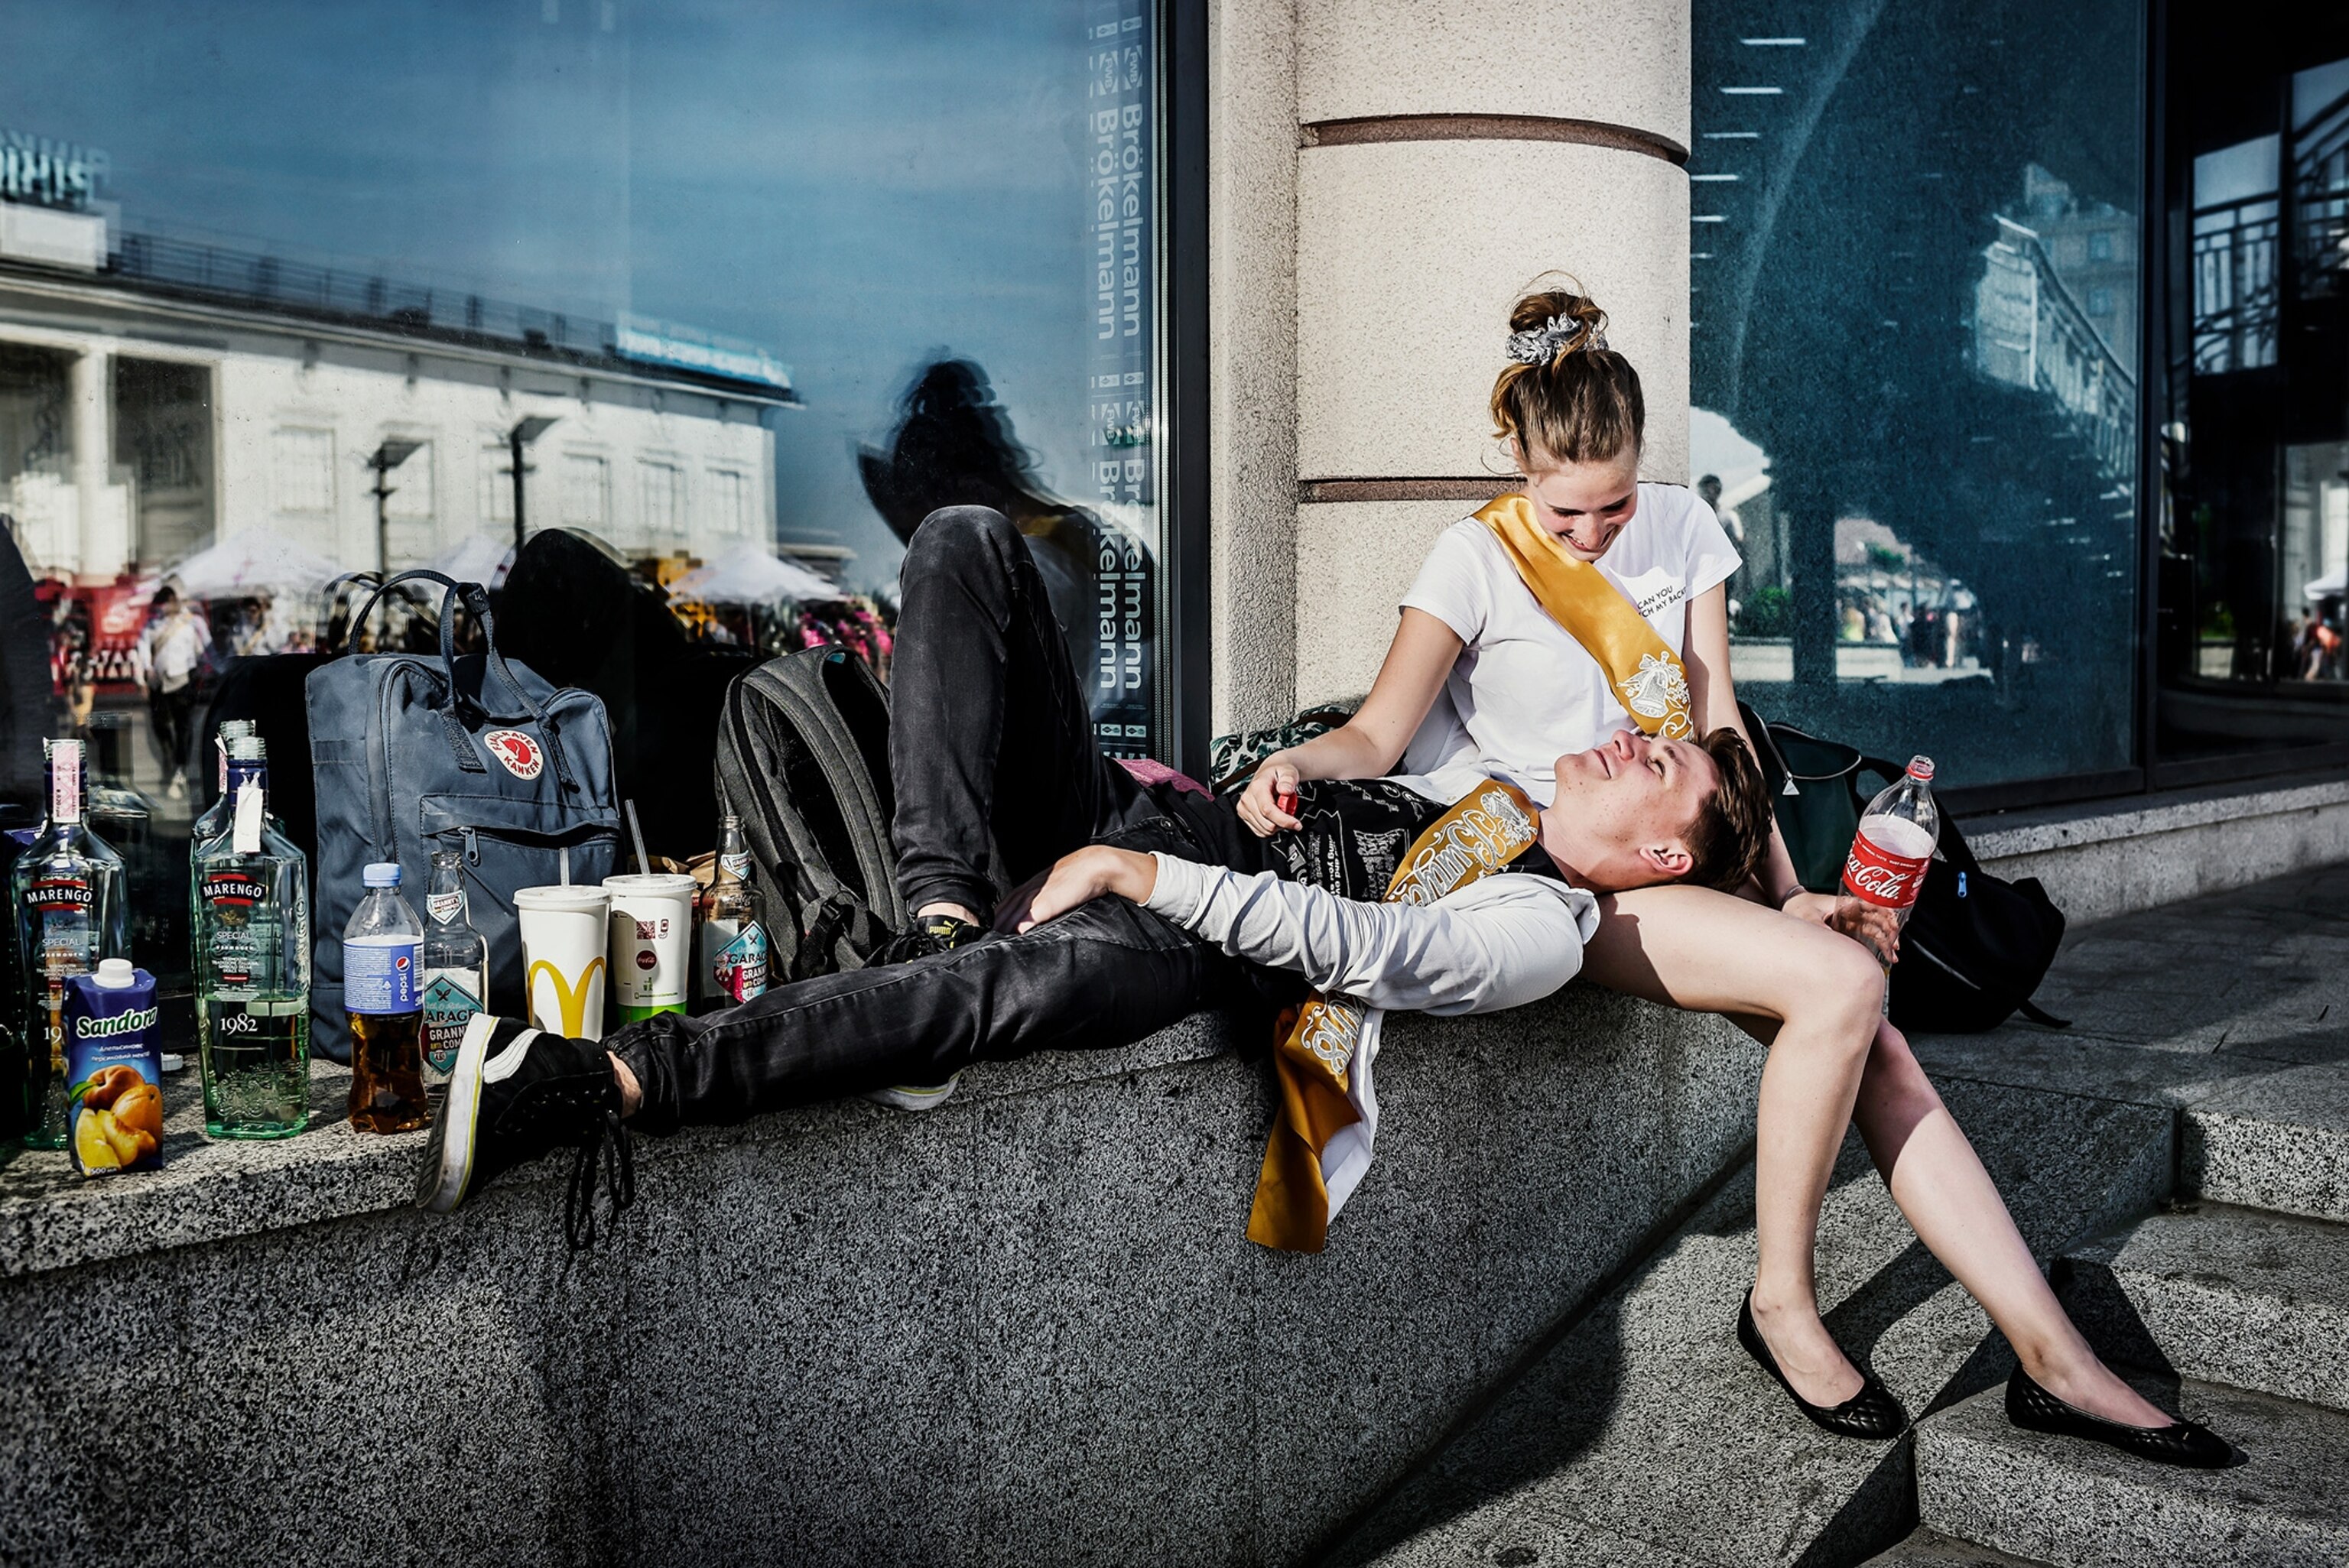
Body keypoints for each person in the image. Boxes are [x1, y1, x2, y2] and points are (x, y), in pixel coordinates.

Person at [1228, 282, 2227, 1467]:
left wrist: (1789, 887)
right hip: (1538, 870)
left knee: (1874, 1026)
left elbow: (1721, 733)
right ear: (1516, 461)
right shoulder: (1470, 558)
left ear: (1643, 464)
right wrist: (1294, 756)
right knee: (1850, 994)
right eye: (1565, 514)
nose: (1593, 534)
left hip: (1669, 850)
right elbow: (1380, 737)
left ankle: (2055, 1359)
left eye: (1613, 504)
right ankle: (1783, 1301)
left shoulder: (1685, 530)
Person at [415, 722, 1774, 1247]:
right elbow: (1336, 777)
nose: (1625, 740)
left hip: (1196, 935)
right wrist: (1290, 769)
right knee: (967, 546)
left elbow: (1363, 949)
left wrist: (1143, 877)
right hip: (1160, 812)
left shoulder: (1544, 921)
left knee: (1030, 990)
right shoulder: (1500, 789)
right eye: (1647, 734)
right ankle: (941, 913)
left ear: (1660, 855)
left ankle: (599, 1078)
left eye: (1658, 763)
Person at [139, 585, 205, 799]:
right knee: (160, 725)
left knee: (183, 727)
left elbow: (201, 651)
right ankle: (169, 758)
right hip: (160, 683)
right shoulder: (152, 625)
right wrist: (146, 670)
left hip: (183, 680)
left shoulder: (189, 624)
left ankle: (180, 771)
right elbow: (142, 648)